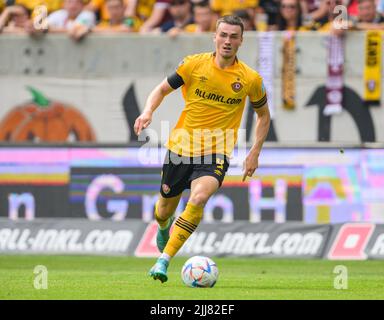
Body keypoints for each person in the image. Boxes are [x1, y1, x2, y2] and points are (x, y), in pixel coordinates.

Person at [134, 14, 270, 283]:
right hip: (180, 149)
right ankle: (163, 227)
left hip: (216, 152)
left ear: (241, 41)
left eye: (233, 36)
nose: (227, 41)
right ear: (215, 37)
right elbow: (160, 90)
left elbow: (263, 116)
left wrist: (254, 151)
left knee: (198, 198)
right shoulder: (193, 65)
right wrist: (148, 111)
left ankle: (164, 260)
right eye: (223, 35)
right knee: (163, 211)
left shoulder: (250, 79)